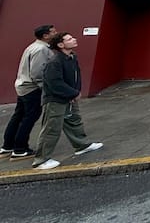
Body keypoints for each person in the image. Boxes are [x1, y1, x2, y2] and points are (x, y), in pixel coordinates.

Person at [31, 32, 103, 170]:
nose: (74, 39)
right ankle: (41, 160)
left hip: (69, 97)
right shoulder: (54, 62)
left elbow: (76, 76)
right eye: (69, 39)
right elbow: (54, 83)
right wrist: (73, 93)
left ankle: (82, 145)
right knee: (51, 128)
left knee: (74, 121)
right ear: (60, 45)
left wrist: (74, 92)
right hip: (55, 100)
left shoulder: (72, 57)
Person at [1, 25, 57, 159]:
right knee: (29, 117)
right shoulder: (41, 49)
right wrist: (45, 88)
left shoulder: (33, 46)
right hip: (32, 88)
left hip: (23, 86)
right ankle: (20, 149)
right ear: (45, 36)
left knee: (19, 116)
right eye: (53, 32)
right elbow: (37, 73)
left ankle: (8, 146)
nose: (56, 33)